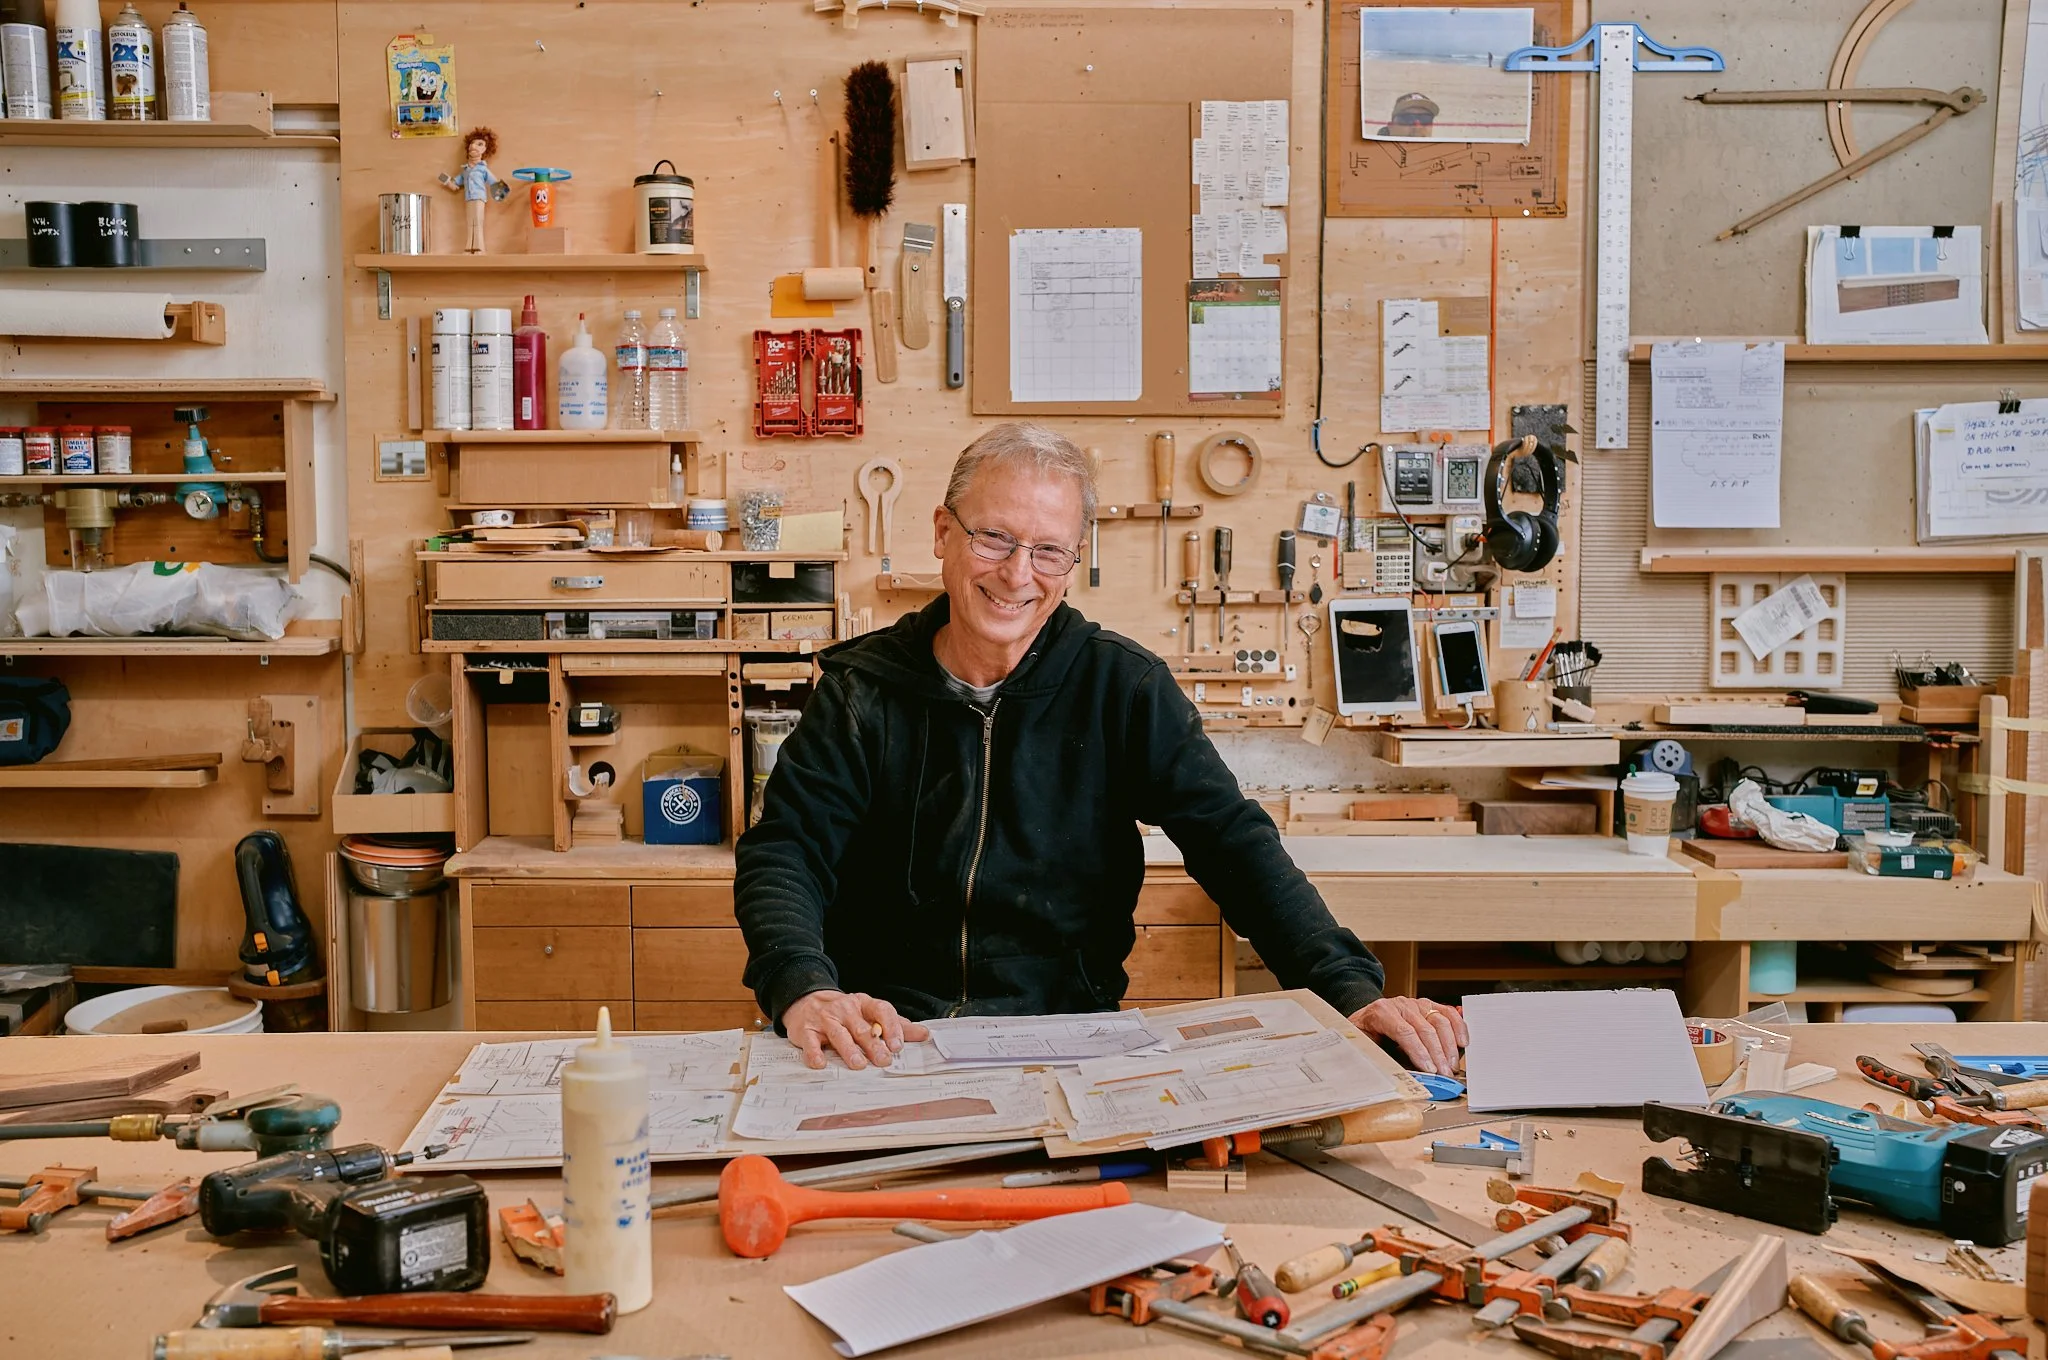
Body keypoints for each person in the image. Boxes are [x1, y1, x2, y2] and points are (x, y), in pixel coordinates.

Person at [734, 424, 1468, 1076]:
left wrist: (1349, 990)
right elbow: (786, 849)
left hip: (1065, 1041)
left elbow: (1232, 843)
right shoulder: (862, 689)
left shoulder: (1121, 687)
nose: (1017, 574)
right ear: (942, 532)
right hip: (885, 1036)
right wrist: (804, 985)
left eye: (1048, 551)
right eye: (994, 537)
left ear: (1074, 559)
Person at [438, 126, 508, 253]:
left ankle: (479, 247)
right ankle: (469, 247)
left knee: (478, 223)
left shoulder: (483, 169)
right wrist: (448, 182)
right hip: (468, 199)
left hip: (479, 198)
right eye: (472, 143)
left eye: (479, 144)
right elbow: (456, 184)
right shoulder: (465, 170)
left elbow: (494, 182)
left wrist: (502, 193)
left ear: (485, 149)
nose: (474, 146)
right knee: (470, 222)